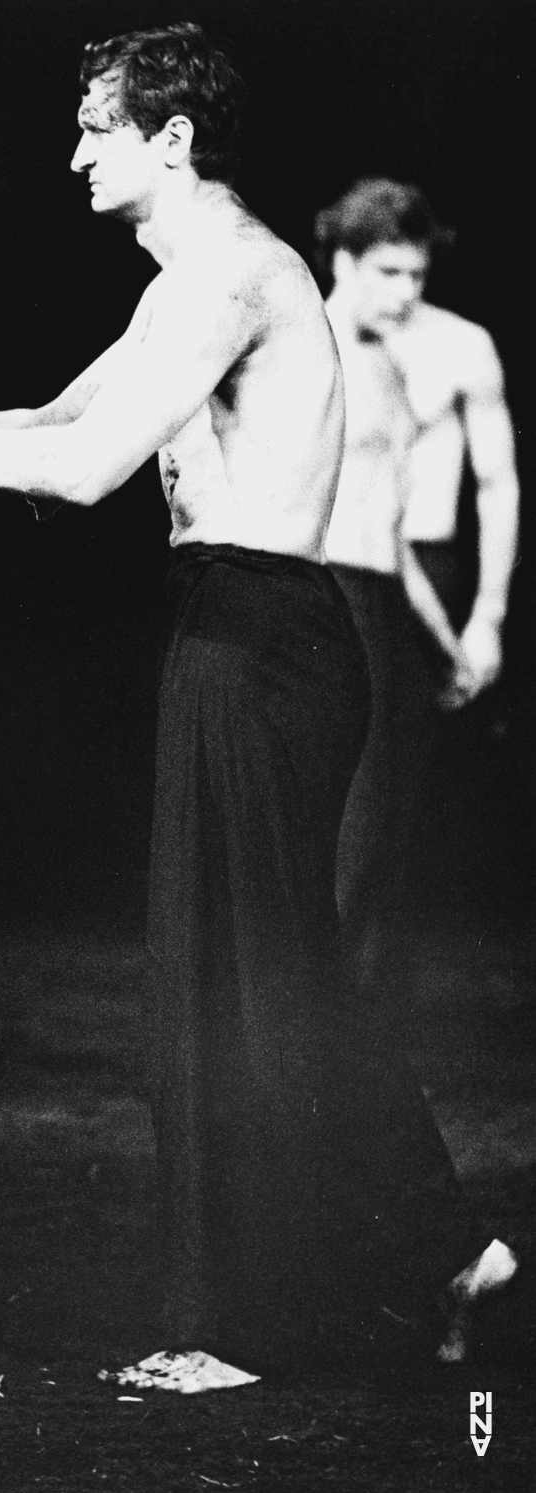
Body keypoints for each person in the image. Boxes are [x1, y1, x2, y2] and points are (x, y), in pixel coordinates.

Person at [0, 23, 516, 1383]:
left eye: (95, 130)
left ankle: (239, 1328)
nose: (73, 155)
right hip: (243, 634)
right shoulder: (191, 279)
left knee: (231, 991)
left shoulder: (230, 275)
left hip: (261, 635)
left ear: (170, 141)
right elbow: (55, 426)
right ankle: (439, 1247)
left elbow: (80, 476)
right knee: (268, 975)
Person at [316, 180, 520, 991]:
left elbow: (496, 485)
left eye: (417, 275)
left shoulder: (461, 346)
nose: (404, 293)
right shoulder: (307, 336)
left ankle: (353, 1019)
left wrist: (489, 614)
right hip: (326, 566)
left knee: (383, 805)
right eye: (387, 273)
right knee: (328, 799)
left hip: (419, 568)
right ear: (345, 261)